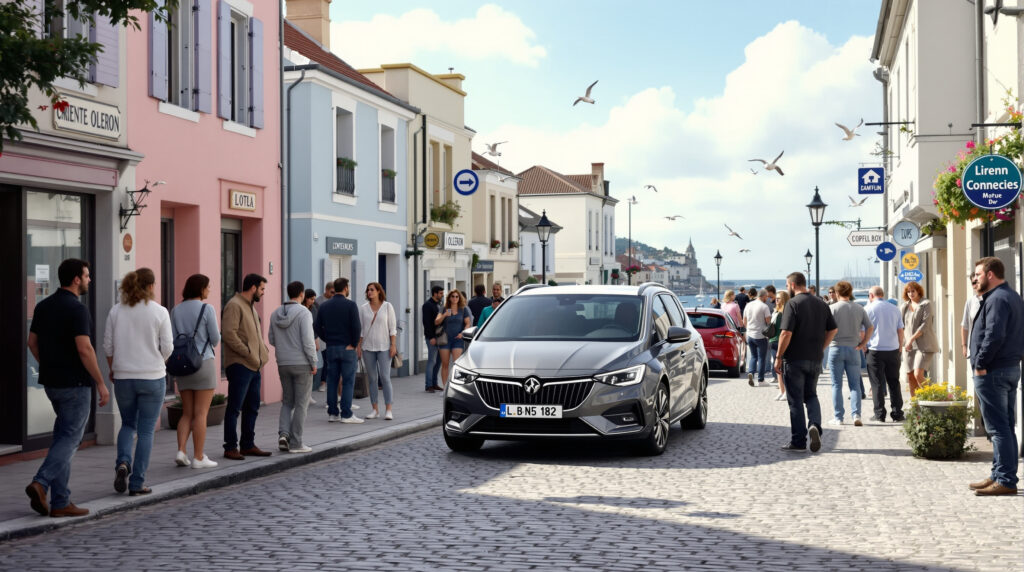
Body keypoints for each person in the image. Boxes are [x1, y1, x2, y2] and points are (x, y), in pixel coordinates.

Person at [25, 259, 110, 518]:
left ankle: (61, 501)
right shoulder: (77, 310)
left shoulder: (43, 306)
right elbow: (84, 349)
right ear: (76, 279)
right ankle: (41, 482)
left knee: (63, 437)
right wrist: (100, 382)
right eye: (86, 276)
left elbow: (32, 343)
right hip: (76, 384)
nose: (89, 280)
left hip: (52, 383)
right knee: (71, 439)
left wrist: (49, 365)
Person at [103, 268, 173, 496]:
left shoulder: (116, 311)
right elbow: (168, 347)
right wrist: (156, 361)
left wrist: (115, 367)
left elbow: (108, 346)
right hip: (152, 377)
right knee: (145, 431)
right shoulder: (159, 311)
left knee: (127, 425)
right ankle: (137, 483)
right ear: (151, 286)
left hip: (123, 377)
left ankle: (123, 463)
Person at [968, 257, 1023, 496]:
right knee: (1005, 426)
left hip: (993, 371)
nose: (975, 278)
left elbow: (994, 334)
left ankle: (1006, 480)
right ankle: (999, 474)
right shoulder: (1011, 296)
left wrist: (980, 363)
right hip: (1008, 368)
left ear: (990, 274)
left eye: (978, 274)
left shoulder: (998, 298)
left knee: (998, 429)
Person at [774, 271, 837, 453]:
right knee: (811, 395)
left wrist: (778, 357)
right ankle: (815, 425)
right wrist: (822, 347)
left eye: (787, 285)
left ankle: (799, 441)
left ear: (793, 285)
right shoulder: (821, 303)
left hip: (794, 359)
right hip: (815, 358)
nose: (787, 288)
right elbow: (833, 329)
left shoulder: (792, 304)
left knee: (795, 401)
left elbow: (786, 333)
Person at [170, 274, 221, 469]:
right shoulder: (207, 309)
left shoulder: (175, 310)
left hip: (182, 364)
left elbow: (173, 338)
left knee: (186, 412)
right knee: (201, 413)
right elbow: (215, 339)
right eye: (208, 287)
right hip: (203, 362)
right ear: (201, 289)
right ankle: (198, 457)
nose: (209, 290)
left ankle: (181, 451)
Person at [221, 273, 273, 459]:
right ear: (253, 288)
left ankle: (247, 444)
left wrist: (261, 352)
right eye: (262, 288)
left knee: (252, 407)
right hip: (240, 364)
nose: (263, 292)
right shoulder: (234, 305)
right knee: (234, 408)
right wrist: (247, 352)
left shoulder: (250, 306)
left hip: (254, 366)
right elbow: (228, 334)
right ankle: (230, 447)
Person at [269, 281, 318, 453]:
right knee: (301, 404)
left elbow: (271, 339)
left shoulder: (275, 313)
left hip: (283, 363)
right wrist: (314, 361)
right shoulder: (304, 313)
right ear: (302, 294)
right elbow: (308, 341)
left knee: (287, 401)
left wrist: (284, 347)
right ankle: (296, 442)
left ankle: (284, 434)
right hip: (302, 363)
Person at [315, 277, 363, 423]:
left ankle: (333, 413)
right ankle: (347, 414)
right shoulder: (350, 305)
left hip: (331, 348)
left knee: (332, 381)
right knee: (348, 381)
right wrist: (354, 344)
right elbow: (356, 327)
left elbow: (316, 327)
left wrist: (327, 339)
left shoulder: (324, 306)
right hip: (347, 348)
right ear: (346, 288)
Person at [826, 281, 873, 427]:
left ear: (837, 293)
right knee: (855, 385)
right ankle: (856, 415)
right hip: (854, 348)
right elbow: (870, 327)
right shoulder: (859, 308)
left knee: (836, 385)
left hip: (836, 348)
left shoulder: (832, 308)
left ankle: (838, 417)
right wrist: (863, 343)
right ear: (850, 292)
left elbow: (824, 329)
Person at [357, 282, 398, 420]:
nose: (369, 292)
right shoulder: (363, 308)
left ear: (379, 291)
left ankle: (388, 409)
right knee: (372, 379)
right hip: (368, 347)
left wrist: (393, 345)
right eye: (368, 290)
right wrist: (359, 347)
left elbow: (392, 328)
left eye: (372, 290)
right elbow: (361, 330)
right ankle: (374, 409)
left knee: (385, 378)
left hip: (384, 347)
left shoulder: (387, 306)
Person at [865, 286, 905, 423]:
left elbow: (862, 331)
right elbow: (900, 330)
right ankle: (897, 413)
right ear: (883, 294)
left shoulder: (868, 309)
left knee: (876, 383)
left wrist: (864, 346)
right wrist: (900, 346)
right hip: (892, 349)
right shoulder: (894, 309)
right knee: (894, 382)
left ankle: (879, 414)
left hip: (875, 350)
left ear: (871, 295)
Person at [900, 282, 938, 397]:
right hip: (908, 347)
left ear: (918, 291)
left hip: (924, 346)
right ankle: (915, 408)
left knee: (918, 374)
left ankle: (934, 400)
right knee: (910, 376)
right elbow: (901, 326)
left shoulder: (926, 304)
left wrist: (911, 339)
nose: (911, 293)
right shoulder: (904, 306)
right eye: (908, 291)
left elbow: (925, 325)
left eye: (913, 291)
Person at [435, 289, 472, 388]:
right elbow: (436, 322)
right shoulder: (444, 308)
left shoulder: (463, 309)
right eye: (453, 296)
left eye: (457, 296)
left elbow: (468, 323)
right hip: (445, 340)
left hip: (457, 339)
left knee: (457, 364)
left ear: (459, 298)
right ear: (449, 298)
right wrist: (445, 315)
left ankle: (457, 387)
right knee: (445, 364)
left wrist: (463, 332)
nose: (455, 298)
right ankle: (445, 387)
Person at [742, 289, 772, 386]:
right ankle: (761, 380)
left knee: (754, 356)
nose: (767, 298)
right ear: (763, 296)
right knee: (761, 358)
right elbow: (768, 322)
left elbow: (744, 321)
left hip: (750, 335)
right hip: (761, 335)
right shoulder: (764, 306)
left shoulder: (748, 305)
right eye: (766, 296)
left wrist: (748, 329)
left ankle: (751, 372)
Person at [421, 286, 445, 392]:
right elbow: (426, 323)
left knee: (438, 361)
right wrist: (431, 337)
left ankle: (435, 383)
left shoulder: (438, 304)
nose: (442, 295)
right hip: (432, 337)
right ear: (434, 293)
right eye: (440, 293)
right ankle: (428, 385)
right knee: (432, 361)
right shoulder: (427, 305)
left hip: (440, 337)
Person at [313, 282, 335, 392]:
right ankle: (323, 383)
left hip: (332, 334)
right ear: (326, 290)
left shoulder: (335, 300)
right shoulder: (318, 301)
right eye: (331, 292)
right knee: (325, 359)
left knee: (328, 360)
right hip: (322, 335)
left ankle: (326, 382)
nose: (333, 294)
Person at [768, 290, 790, 401]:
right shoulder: (776, 312)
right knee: (777, 369)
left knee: (782, 368)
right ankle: (782, 391)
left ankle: (786, 391)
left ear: (784, 299)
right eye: (776, 298)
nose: (776, 300)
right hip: (773, 341)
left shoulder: (784, 313)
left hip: (779, 341)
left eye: (779, 298)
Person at [961, 286, 982, 359]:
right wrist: (964, 346)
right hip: (974, 349)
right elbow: (964, 325)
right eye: (973, 283)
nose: (975, 285)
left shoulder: (990, 299)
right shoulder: (970, 301)